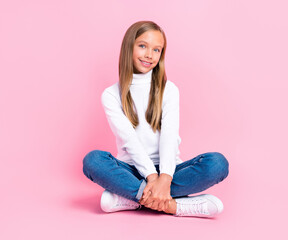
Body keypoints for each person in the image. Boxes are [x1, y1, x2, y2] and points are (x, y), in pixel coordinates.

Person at [83, 20, 229, 218]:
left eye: (157, 50)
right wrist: (152, 178)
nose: (149, 55)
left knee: (217, 164)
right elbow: (129, 140)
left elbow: (169, 136)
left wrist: (164, 179)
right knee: (93, 161)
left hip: (171, 171)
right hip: (132, 169)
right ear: (129, 47)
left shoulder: (169, 90)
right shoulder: (111, 95)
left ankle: (132, 198)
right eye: (142, 46)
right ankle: (174, 205)